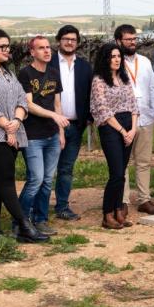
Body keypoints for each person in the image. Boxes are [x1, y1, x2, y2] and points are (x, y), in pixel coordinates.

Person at [0, 29, 49, 243]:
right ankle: (23, 225)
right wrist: (8, 127)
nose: (7, 50)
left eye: (8, 46)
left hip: (12, 131)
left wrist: (16, 121)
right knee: (6, 179)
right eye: (2, 46)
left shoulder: (8, 73)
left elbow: (22, 99)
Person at [17, 36, 69, 236]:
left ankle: (41, 220)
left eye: (48, 47)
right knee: (35, 180)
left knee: (47, 180)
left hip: (52, 135)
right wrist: (54, 116)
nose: (47, 51)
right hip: (33, 136)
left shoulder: (54, 73)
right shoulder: (25, 74)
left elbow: (57, 104)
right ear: (32, 52)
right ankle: (21, 221)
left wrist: (61, 132)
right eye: (41, 48)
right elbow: (29, 105)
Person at [115, 24, 154, 215]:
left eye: (134, 39)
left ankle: (144, 199)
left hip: (145, 117)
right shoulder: (114, 62)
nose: (132, 42)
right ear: (118, 41)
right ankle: (123, 200)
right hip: (124, 120)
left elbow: (152, 87)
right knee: (122, 162)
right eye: (128, 39)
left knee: (144, 161)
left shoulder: (144, 61)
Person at [91, 43, 139, 230]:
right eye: (113, 56)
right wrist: (122, 131)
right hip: (111, 127)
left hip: (128, 125)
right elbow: (103, 109)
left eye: (119, 56)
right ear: (105, 59)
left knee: (122, 172)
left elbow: (134, 105)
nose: (117, 59)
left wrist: (133, 129)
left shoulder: (124, 78)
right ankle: (107, 214)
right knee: (116, 173)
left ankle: (119, 210)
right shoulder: (99, 81)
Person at [51, 25, 92, 221]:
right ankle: (36, 208)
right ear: (59, 41)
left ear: (77, 43)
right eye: (66, 39)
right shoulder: (48, 63)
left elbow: (90, 93)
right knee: (45, 170)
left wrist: (89, 119)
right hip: (50, 125)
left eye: (73, 39)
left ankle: (62, 206)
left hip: (75, 126)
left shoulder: (84, 66)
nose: (69, 42)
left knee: (66, 169)